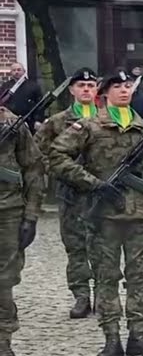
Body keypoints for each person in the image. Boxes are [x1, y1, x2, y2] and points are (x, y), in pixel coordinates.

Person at [49, 71, 143, 356]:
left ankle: (138, 336)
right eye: (118, 86)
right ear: (105, 93)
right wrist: (92, 183)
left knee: (138, 278)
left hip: (141, 215)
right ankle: (111, 338)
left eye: (128, 86)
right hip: (104, 217)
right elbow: (57, 155)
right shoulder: (90, 125)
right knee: (107, 277)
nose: (124, 90)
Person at [35, 69, 101, 318]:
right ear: (72, 90)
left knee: (104, 245)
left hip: (102, 193)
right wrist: (59, 171)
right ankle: (81, 295)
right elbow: (39, 153)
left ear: (97, 90)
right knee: (75, 246)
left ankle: (103, 295)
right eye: (81, 85)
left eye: (90, 85)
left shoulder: (107, 118)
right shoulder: (57, 121)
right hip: (71, 193)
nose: (86, 89)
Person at [0, 88, 45, 356]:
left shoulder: (12, 123)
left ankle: (2, 345)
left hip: (8, 212)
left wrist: (31, 216)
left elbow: (33, 169)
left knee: (3, 281)